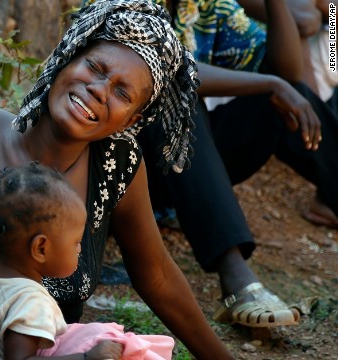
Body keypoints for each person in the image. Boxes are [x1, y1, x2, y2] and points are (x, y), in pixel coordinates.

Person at [0, 1, 233, 358]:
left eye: (122, 92)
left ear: (130, 121)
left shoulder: (116, 164)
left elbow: (156, 274)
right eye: (95, 67)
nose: (99, 89)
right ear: (68, 55)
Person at [135, 0, 337, 329]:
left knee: (281, 93)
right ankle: (236, 278)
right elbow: (162, 68)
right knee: (178, 91)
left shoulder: (206, 6)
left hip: (189, 166)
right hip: (128, 164)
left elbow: (286, 72)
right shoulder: (126, 5)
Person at [0, 162, 174, 360]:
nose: (79, 248)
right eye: (76, 242)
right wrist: (86, 357)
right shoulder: (30, 302)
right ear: (41, 248)